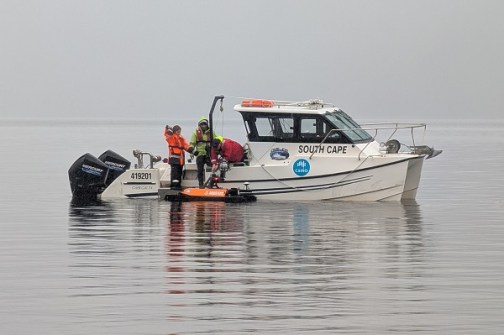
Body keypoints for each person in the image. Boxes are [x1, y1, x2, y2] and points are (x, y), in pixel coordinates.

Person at [164, 125, 194, 190]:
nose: (179, 132)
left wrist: (192, 150)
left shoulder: (181, 138)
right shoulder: (171, 138)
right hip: (174, 160)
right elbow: (167, 135)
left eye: (180, 131)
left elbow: (186, 146)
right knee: (174, 174)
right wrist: (167, 129)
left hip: (180, 161)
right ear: (174, 131)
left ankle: (178, 186)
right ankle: (174, 186)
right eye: (178, 131)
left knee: (179, 173)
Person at [190, 117, 217, 188]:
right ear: (199, 125)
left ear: (207, 125)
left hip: (209, 154)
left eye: (204, 124)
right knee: (200, 170)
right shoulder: (195, 133)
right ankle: (201, 184)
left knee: (213, 168)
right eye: (202, 124)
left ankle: (212, 183)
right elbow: (192, 144)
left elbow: (216, 141)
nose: (203, 126)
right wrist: (191, 153)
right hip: (200, 154)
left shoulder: (211, 132)